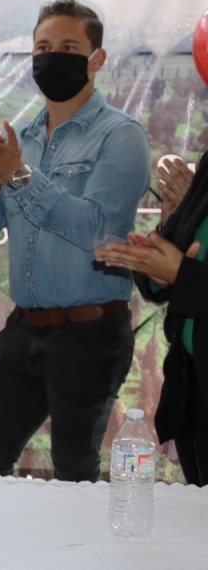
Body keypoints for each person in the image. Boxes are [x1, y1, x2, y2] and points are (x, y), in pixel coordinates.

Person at [0, 0, 151, 483]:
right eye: (42, 48)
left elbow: (97, 230)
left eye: (68, 47)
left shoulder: (121, 136)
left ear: (97, 59)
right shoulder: (20, 138)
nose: (52, 58)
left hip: (91, 333)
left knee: (74, 473)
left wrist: (20, 176)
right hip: (24, 327)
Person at [96, 153, 207, 486]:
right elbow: (181, 253)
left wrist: (182, 274)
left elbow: (186, 272)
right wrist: (155, 259)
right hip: (192, 384)